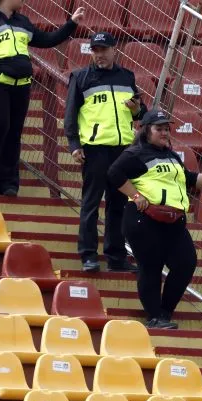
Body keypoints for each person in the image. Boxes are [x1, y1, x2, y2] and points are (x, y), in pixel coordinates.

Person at [107, 109, 202, 329]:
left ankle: (164, 312)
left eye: (167, 129)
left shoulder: (171, 155)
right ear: (146, 131)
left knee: (186, 263)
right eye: (159, 129)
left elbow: (190, 178)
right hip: (144, 219)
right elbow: (114, 173)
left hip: (174, 220)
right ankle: (154, 316)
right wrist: (135, 196)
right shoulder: (136, 153)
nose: (164, 133)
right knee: (151, 267)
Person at [0, 0, 86, 196]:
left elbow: (47, 40)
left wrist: (71, 23)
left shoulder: (22, 21)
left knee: (14, 133)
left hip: (21, 85)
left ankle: (8, 184)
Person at [64, 31, 146, 273]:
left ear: (114, 50)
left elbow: (139, 113)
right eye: (95, 50)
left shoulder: (127, 76)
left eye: (103, 50)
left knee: (118, 205)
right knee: (91, 203)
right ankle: (88, 255)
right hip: (95, 149)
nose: (99, 55)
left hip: (122, 151)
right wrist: (74, 145)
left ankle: (116, 257)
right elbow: (70, 115)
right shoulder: (80, 77)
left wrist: (136, 108)